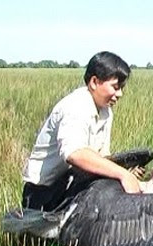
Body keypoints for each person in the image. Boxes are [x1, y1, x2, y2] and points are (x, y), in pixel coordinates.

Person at [22, 51, 144, 212]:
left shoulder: (105, 111)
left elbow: (101, 157)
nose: (120, 94)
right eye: (115, 87)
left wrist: (127, 173)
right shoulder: (76, 106)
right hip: (45, 192)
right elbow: (74, 153)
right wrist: (123, 175)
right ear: (94, 82)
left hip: (74, 184)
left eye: (121, 88)